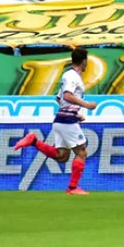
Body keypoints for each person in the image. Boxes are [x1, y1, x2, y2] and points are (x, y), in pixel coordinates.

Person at [13, 48, 96, 195]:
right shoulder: (72, 76)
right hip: (66, 120)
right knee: (81, 151)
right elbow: (67, 96)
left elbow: (59, 99)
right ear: (84, 61)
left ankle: (34, 141)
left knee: (62, 156)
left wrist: (75, 113)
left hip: (63, 118)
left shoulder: (70, 76)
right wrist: (86, 105)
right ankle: (72, 188)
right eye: (87, 60)